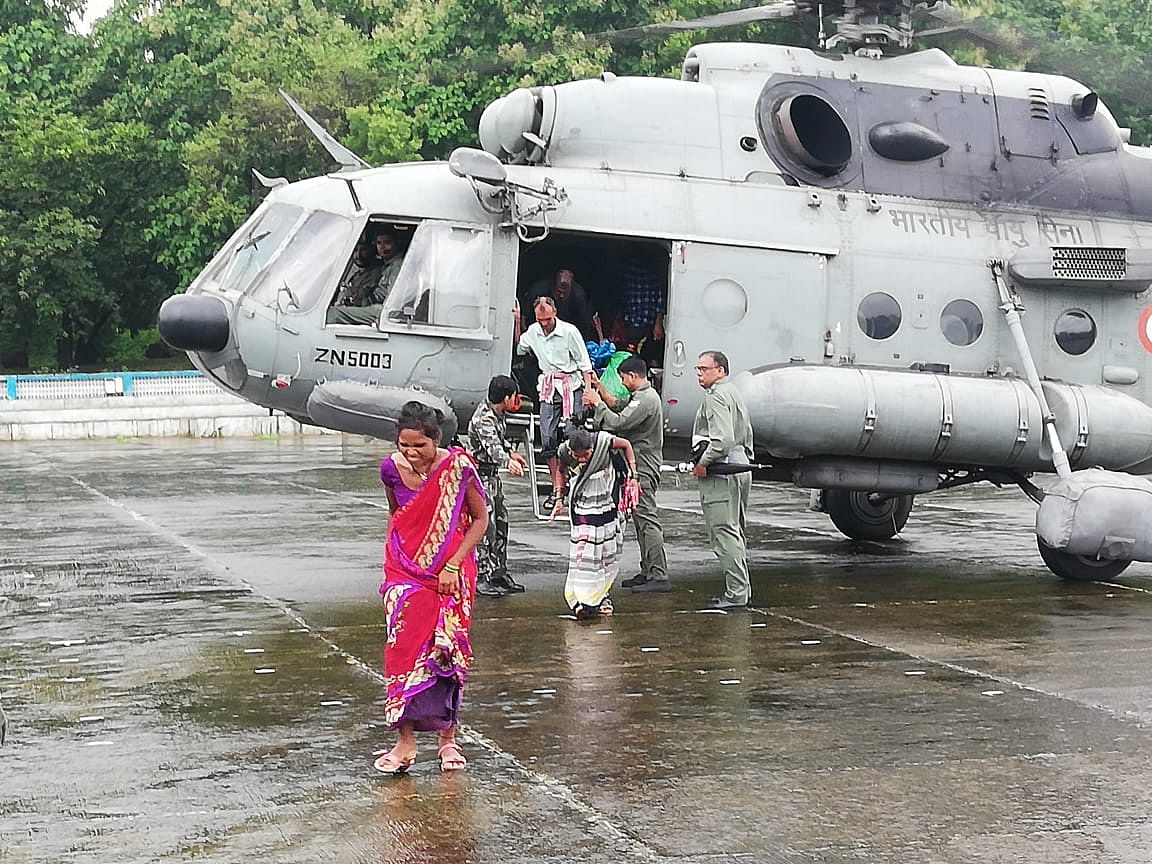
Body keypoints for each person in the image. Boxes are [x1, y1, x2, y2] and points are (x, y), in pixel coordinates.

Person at [373, 401, 489, 774]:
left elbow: (481, 519)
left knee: (447, 650)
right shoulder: (391, 469)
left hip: (451, 571)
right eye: (405, 445)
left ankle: (447, 740)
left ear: (436, 440)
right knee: (402, 650)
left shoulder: (458, 468)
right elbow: (398, 514)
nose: (411, 453)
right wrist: (400, 558)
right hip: (404, 571)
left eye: (419, 446)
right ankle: (404, 743)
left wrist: (453, 564)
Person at [583, 354, 669, 593]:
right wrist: (600, 389)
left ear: (633, 376)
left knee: (647, 519)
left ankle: (658, 574)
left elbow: (619, 422)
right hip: (636, 465)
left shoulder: (647, 400)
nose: (621, 383)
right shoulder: (640, 397)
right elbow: (620, 407)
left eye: (623, 378)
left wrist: (597, 404)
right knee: (640, 520)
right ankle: (649, 570)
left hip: (643, 465)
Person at [513, 296, 594, 512]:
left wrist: (587, 391)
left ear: (555, 313)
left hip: (571, 384)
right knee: (547, 437)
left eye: (548, 320)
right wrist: (517, 321)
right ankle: (557, 487)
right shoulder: (533, 331)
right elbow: (520, 347)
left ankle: (573, 482)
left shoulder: (569, 332)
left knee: (572, 433)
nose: (545, 324)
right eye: (541, 320)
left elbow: (585, 365)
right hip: (549, 384)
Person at [692, 351, 755, 609]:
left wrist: (702, 463)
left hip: (723, 469)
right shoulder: (733, 392)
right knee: (735, 530)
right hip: (739, 465)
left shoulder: (716, 397)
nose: (699, 374)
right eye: (698, 369)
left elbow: (722, 440)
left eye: (704, 369)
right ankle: (741, 590)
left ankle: (736, 593)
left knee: (723, 531)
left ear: (720, 370)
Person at [554, 427, 638, 619]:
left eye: (587, 455)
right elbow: (561, 471)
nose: (583, 459)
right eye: (578, 456)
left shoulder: (602, 441)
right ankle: (582, 599)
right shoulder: (564, 452)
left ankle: (601, 598)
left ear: (592, 447)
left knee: (606, 554)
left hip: (607, 505)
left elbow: (626, 445)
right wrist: (558, 498)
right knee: (584, 552)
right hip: (583, 508)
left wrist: (633, 473)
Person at [466, 375, 530, 597]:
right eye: (514, 397)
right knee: (485, 526)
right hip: (479, 479)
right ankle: (481, 575)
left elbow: (500, 440)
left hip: (492, 478)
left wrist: (512, 453)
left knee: (501, 523)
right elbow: (492, 447)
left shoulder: (498, 414)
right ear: (506, 397)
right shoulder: (483, 418)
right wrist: (508, 461)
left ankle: (498, 571)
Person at [327, 230, 406, 325]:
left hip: (385, 312)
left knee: (334, 314)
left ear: (396, 244)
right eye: (379, 243)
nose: (382, 247)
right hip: (377, 307)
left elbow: (393, 299)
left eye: (387, 243)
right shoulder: (386, 266)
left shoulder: (397, 266)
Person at [619, 245, 666, 365]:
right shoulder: (652, 273)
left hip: (635, 322)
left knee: (634, 355)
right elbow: (660, 298)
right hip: (646, 321)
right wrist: (658, 322)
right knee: (645, 355)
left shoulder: (626, 270)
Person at [529, 267, 603, 342]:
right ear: (554, 286)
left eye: (565, 293)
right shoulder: (539, 291)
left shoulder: (579, 297)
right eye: (559, 292)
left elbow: (583, 327)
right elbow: (526, 318)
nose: (561, 296)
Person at [333, 237, 383, 308]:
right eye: (355, 250)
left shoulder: (376, 273)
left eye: (363, 250)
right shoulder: (349, 270)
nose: (358, 255)